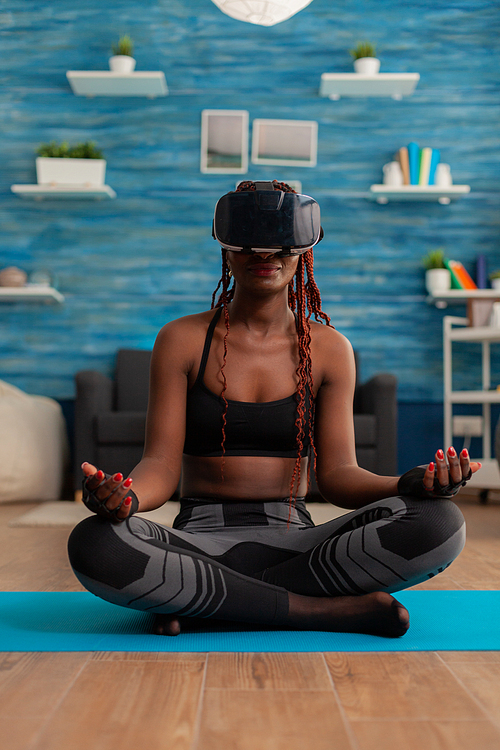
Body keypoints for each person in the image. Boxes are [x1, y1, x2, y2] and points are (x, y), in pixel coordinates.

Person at [68, 180, 480, 638]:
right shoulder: (180, 340)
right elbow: (160, 467)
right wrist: (124, 500)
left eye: (280, 244)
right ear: (226, 250)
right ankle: (319, 611)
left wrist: (412, 483)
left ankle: (208, 602)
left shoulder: (330, 349)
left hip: (299, 546)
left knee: (439, 522)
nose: (265, 255)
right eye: (250, 244)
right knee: (95, 542)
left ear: (303, 251)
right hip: (197, 542)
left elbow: (339, 475)